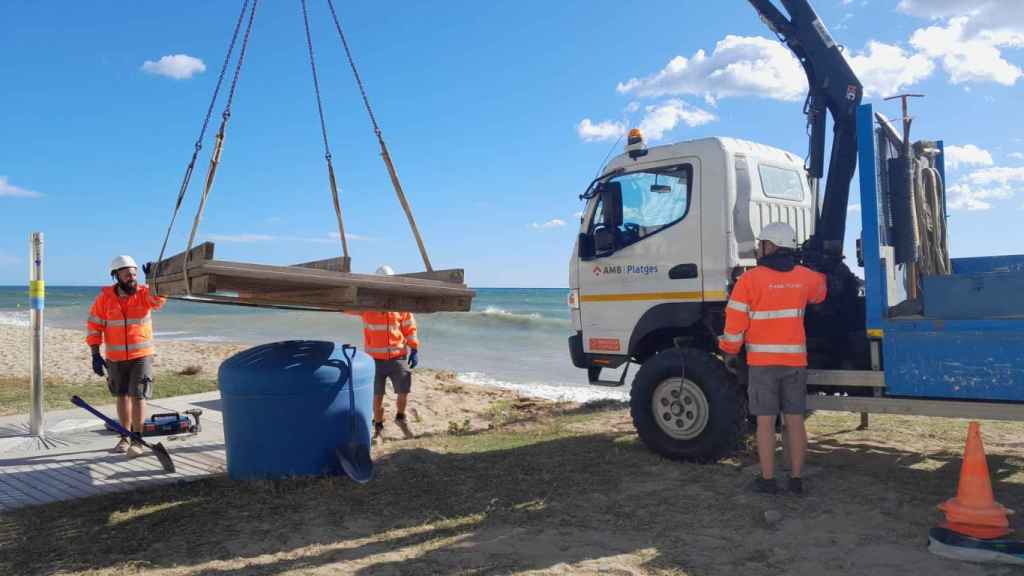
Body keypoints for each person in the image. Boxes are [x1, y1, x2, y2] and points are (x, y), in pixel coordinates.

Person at [718, 222, 826, 495]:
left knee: (765, 422)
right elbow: (821, 292)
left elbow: (734, 324)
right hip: (795, 364)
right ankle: (797, 479)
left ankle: (767, 480)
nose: (758, 247)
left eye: (762, 242)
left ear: (772, 246)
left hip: (762, 365)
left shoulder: (749, 280)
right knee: (795, 421)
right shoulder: (805, 277)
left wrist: (729, 351)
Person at [86, 255, 166, 457]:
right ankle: (124, 437)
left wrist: (153, 282)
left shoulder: (144, 293)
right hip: (115, 357)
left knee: (138, 396)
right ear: (116, 275)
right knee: (121, 396)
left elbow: (158, 301)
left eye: (134, 273)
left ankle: (137, 439)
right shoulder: (104, 299)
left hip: (142, 355)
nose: (132, 277)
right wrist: (95, 353)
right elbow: (94, 326)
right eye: (127, 273)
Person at [347, 265, 420, 439]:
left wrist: (414, 348)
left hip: (398, 357)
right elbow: (346, 308)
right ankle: (379, 427)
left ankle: (400, 418)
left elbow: (409, 327)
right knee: (377, 397)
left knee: (404, 392)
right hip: (374, 360)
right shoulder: (368, 305)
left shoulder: (401, 304)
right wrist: (346, 296)